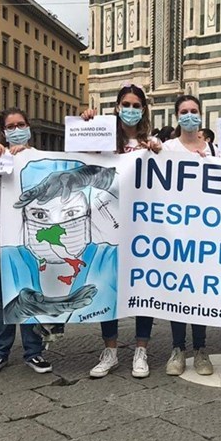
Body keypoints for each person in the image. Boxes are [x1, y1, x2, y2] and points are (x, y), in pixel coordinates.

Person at [82, 84, 161, 379]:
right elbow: (82, 158)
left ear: (143, 109)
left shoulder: (152, 144)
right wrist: (86, 122)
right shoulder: (103, 137)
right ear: (116, 107)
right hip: (109, 223)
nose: (130, 109)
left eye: (136, 105)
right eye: (126, 104)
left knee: (143, 286)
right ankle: (111, 350)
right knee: (107, 286)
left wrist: (157, 153)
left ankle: (141, 349)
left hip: (143, 226)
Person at [0, 108, 52, 375]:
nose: (17, 129)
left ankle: (34, 351)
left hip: (34, 231)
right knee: (1, 294)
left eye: (21, 124)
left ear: (29, 127)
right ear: (3, 131)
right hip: (2, 230)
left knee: (32, 290)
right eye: (11, 126)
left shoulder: (42, 158)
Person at [162, 95, 218, 376]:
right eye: (184, 111)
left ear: (201, 114)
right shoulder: (167, 148)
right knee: (178, 289)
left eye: (194, 111)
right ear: (177, 116)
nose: (189, 115)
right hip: (175, 231)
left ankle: (200, 349)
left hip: (205, 232)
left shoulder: (213, 150)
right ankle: (177, 349)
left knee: (200, 292)